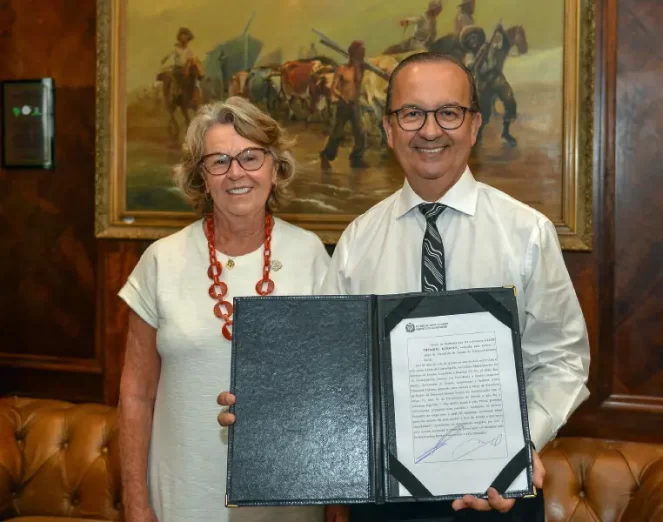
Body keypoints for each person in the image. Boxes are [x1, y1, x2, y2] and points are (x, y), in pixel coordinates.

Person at [218, 52, 590, 521]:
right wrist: (268, 409)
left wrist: (517, 448)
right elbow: (333, 370)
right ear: (389, 129)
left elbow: (561, 359)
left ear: (474, 126)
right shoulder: (357, 240)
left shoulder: (527, 233)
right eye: (412, 113)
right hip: (383, 504)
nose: (430, 130)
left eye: (448, 113)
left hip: (497, 497)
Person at [118, 96, 330, 522]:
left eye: (251, 157)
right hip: (183, 492)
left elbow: (332, 388)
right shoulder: (162, 260)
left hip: (285, 497)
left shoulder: (311, 256)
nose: (237, 172)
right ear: (202, 176)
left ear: (275, 166)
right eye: (219, 161)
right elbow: (135, 395)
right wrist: (136, 504)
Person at [320, 40, 369, 170]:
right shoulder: (342, 69)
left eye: (363, 53)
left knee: (361, 133)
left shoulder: (361, 69)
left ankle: (356, 159)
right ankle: (326, 155)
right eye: (360, 53)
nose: (362, 55)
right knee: (337, 133)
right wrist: (342, 97)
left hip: (355, 105)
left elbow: (363, 77)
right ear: (353, 54)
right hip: (343, 105)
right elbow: (333, 88)